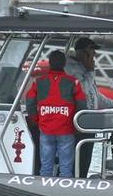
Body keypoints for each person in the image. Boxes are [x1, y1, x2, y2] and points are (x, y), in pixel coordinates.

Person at [65, 37, 113, 179]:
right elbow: (82, 91)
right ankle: (74, 180)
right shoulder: (70, 69)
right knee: (77, 158)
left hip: (88, 124)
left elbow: (94, 95)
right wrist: (90, 72)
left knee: (85, 158)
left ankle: (82, 179)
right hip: (75, 124)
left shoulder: (85, 69)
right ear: (83, 52)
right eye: (91, 50)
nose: (94, 54)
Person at [26, 50, 86, 178]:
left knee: (46, 168)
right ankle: (63, 193)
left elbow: (30, 101)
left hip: (45, 129)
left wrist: (35, 120)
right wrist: (78, 125)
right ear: (64, 64)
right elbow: (82, 105)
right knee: (66, 170)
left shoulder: (38, 82)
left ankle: (43, 193)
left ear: (50, 63)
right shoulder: (73, 82)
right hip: (66, 129)